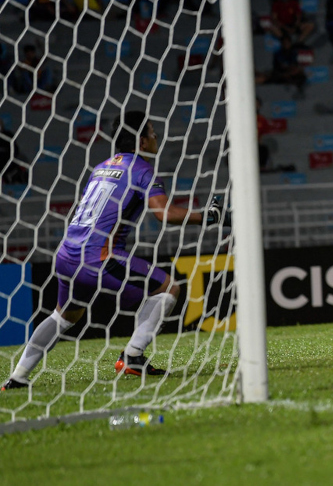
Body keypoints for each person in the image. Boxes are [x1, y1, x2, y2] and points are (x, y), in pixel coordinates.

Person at [1, 112, 230, 390]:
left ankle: (17, 377)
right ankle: (133, 357)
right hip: (97, 256)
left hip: (66, 253)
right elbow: (163, 213)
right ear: (141, 141)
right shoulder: (142, 169)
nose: (156, 135)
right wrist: (209, 217)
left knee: (64, 316)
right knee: (168, 288)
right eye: (151, 131)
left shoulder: (102, 166)